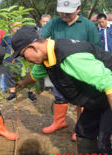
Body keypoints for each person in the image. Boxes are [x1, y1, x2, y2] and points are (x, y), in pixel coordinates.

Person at [13, 26, 112, 155]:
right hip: (98, 95)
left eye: (23, 55)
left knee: (109, 143)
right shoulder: (47, 56)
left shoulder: (71, 57)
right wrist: (23, 83)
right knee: (84, 131)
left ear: (33, 47)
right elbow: (37, 73)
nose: (26, 60)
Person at [39, 0, 100, 141]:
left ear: (78, 9)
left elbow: (96, 48)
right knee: (59, 95)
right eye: (61, 11)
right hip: (59, 67)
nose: (63, 14)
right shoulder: (54, 23)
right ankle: (59, 122)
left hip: (82, 69)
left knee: (83, 98)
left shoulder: (88, 25)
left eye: (68, 11)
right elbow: (41, 38)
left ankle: (82, 128)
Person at [3, 21, 37, 102]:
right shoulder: (6, 36)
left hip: (23, 58)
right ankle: (12, 93)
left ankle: (30, 93)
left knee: (27, 74)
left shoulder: (25, 35)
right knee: (10, 75)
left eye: (19, 26)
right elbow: (3, 45)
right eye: (15, 26)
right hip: (10, 59)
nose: (17, 28)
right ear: (11, 27)